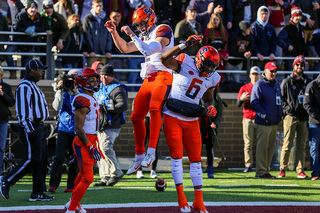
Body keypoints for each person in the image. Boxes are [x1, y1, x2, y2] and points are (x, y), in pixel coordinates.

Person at [105, 7, 174, 174]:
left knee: (155, 108)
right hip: (149, 78)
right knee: (136, 116)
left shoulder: (163, 29)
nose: (140, 27)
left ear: (150, 19)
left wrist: (131, 34)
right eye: (138, 24)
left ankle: (151, 151)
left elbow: (149, 50)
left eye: (142, 23)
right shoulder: (145, 35)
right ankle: (139, 156)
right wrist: (114, 32)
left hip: (163, 74)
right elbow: (125, 49)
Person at [160, 35, 220, 213]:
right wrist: (183, 45)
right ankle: (181, 198)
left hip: (193, 119)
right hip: (172, 115)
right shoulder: (184, 60)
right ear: (199, 59)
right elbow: (164, 59)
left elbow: (209, 100)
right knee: (177, 157)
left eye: (212, 66)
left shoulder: (213, 77)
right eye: (207, 64)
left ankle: (199, 201)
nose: (209, 69)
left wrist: (211, 109)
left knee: (196, 161)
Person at [0, 59, 53, 201]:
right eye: (40, 69)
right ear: (32, 70)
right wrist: (30, 129)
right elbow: (22, 112)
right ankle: (7, 179)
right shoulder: (24, 86)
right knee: (33, 158)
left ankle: (38, 192)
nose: (43, 72)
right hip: (31, 126)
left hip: (39, 125)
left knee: (41, 160)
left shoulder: (33, 85)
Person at [65, 68, 102, 213]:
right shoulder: (82, 99)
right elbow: (78, 128)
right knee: (88, 178)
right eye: (91, 80)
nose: (95, 82)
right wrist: (89, 146)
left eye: (96, 79)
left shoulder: (91, 97)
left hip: (91, 140)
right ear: (83, 82)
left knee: (82, 174)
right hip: (83, 141)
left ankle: (74, 203)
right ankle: (71, 208)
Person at [93, 64, 128, 187]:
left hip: (112, 124)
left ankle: (116, 172)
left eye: (105, 75)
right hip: (99, 124)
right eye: (101, 75)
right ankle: (105, 176)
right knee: (99, 150)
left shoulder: (118, 89)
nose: (103, 78)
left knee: (106, 148)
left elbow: (123, 106)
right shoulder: (99, 87)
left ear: (111, 76)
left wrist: (108, 109)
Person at [279, 55, 311, 179]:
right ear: (294, 66)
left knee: (301, 145)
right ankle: (283, 169)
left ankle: (300, 170)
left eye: (302, 65)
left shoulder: (307, 81)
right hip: (290, 117)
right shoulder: (287, 81)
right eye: (298, 64)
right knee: (287, 144)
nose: (300, 67)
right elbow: (281, 99)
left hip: (303, 118)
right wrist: (286, 111)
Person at [48, 70, 80, 193]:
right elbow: (57, 107)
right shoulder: (61, 92)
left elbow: (81, 106)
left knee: (74, 158)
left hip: (76, 129)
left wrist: (75, 92)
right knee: (58, 157)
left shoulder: (79, 92)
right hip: (63, 128)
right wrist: (60, 90)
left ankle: (71, 184)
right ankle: (53, 184)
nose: (70, 83)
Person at [251, 61, 282, 179]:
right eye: (271, 71)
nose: (273, 73)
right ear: (265, 71)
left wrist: (280, 114)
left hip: (274, 122)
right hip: (263, 123)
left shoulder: (276, 85)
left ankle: (266, 170)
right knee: (262, 148)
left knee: (270, 149)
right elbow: (254, 103)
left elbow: (279, 102)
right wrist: (265, 114)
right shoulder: (259, 85)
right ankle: (260, 172)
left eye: (275, 71)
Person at [6, 1, 45, 79]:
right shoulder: (21, 15)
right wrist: (25, 30)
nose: (33, 10)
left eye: (35, 8)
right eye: (31, 7)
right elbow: (15, 27)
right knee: (7, 53)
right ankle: (13, 72)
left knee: (26, 66)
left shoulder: (38, 17)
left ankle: (23, 80)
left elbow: (43, 28)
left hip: (28, 45)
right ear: (27, 8)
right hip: (17, 41)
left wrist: (35, 29)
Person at [237, 66, 260, 173]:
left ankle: (261, 166)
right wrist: (242, 99)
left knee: (261, 143)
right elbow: (238, 104)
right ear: (250, 75)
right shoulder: (244, 87)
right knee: (248, 143)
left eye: (257, 74)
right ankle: (248, 165)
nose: (255, 76)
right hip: (247, 117)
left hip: (260, 118)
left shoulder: (262, 86)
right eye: (253, 74)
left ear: (259, 75)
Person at [200, 87, 224, 179]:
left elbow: (219, 114)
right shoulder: (200, 97)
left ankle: (210, 171)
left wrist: (215, 124)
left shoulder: (217, 99)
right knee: (197, 149)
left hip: (211, 128)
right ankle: (197, 170)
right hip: (200, 126)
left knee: (210, 149)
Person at [82, 0, 112, 67]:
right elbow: (86, 36)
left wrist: (108, 51)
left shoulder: (105, 19)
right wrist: (90, 50)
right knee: (92, 73)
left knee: (102, 74)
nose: (99, 8)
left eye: (100, 6)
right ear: (92, 7)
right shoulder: (87, 19)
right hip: (92, 54)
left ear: (102, 7)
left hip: (103, 53)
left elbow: (109, 36)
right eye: (97, 6)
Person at [277, 6, 307, 71]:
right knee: (290, 76)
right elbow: (279, 39)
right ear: (292, 16)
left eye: (300, 16)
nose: (298, 18)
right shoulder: (287, 28)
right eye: (296, 16)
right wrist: (287, 46)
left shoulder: (301, 28)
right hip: (291, 57)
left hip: (300, 57)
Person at [303, 74, 320, 180]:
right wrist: (317, 117)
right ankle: (315, 172)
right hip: (314, 122)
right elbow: (306, 104)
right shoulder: (312, 85)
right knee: (314, 147)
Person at [107, 9, 131, 81]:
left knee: (117, 76)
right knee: (108, 75)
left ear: (121, 17)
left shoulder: (123, 27)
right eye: (114, 16)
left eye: (118, 16)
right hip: (108, 55)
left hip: (119, 55)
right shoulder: (106, 26)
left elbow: (126, 41)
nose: (116, 18)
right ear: (110, 16)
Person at [0, 66, 15, 174]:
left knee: (1, 147)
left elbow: (11, 102)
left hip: (2, 121)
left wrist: (2, 94)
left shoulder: (6, 87)